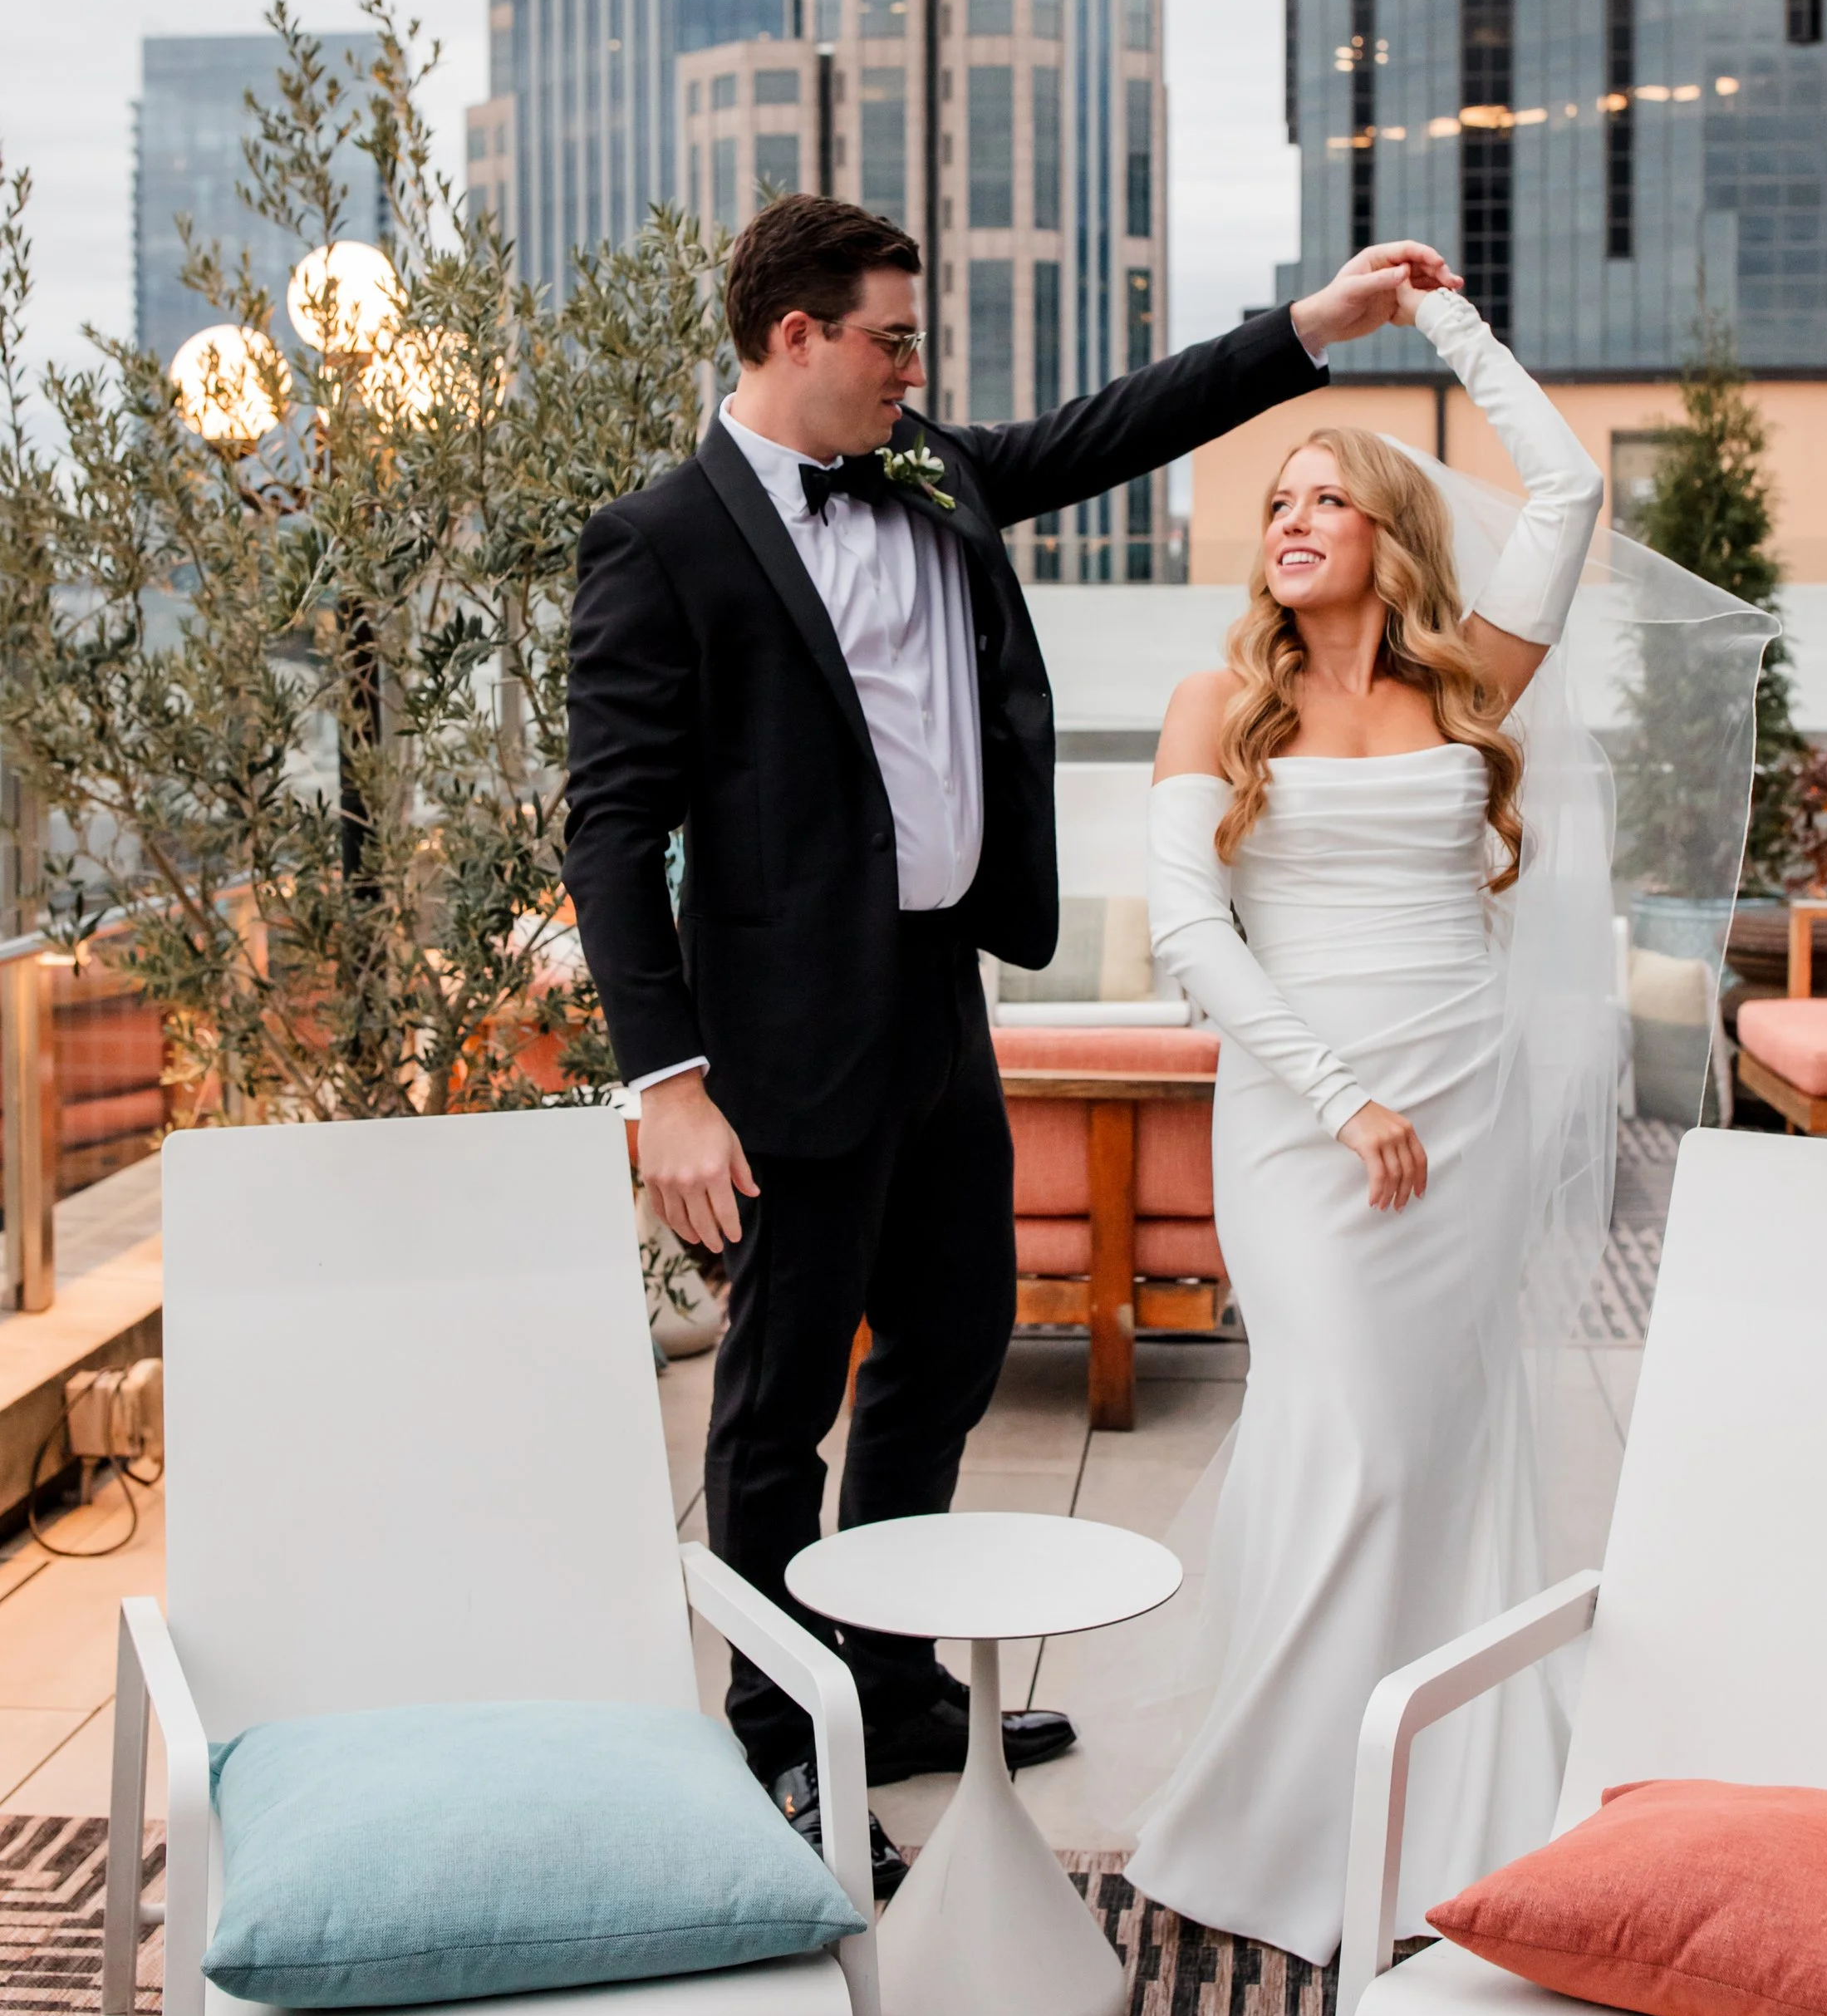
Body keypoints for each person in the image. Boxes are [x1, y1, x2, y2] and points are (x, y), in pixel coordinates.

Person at [562, 193, 1444, 1894]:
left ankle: (890, 1683)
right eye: (889, 339)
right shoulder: (658, 539)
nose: (915, 369)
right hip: (773, 1038)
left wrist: (1311, 330)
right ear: (792, 337)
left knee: (949, 1351)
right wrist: (664, 1084)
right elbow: (610, 830)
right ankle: (777, 1733)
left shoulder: (921, 469)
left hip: (939, 1005)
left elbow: (1111, 428)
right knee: (770, 1411)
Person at [1122, 265, 1606, 1966]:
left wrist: (1448, 330)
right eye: (1278, 499)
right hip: (1302, 1118)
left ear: (1389, 529)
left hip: (1465, 1104)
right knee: (1357, 1445)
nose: (1295, 518)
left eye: (1330, 496)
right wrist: (1335, 1097)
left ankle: (1438, 1810)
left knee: (1440, 1452)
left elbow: (1566, 491)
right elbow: (1189, 931)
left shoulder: (1464, 679)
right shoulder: (1213, 704)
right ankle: (1272, 1820)